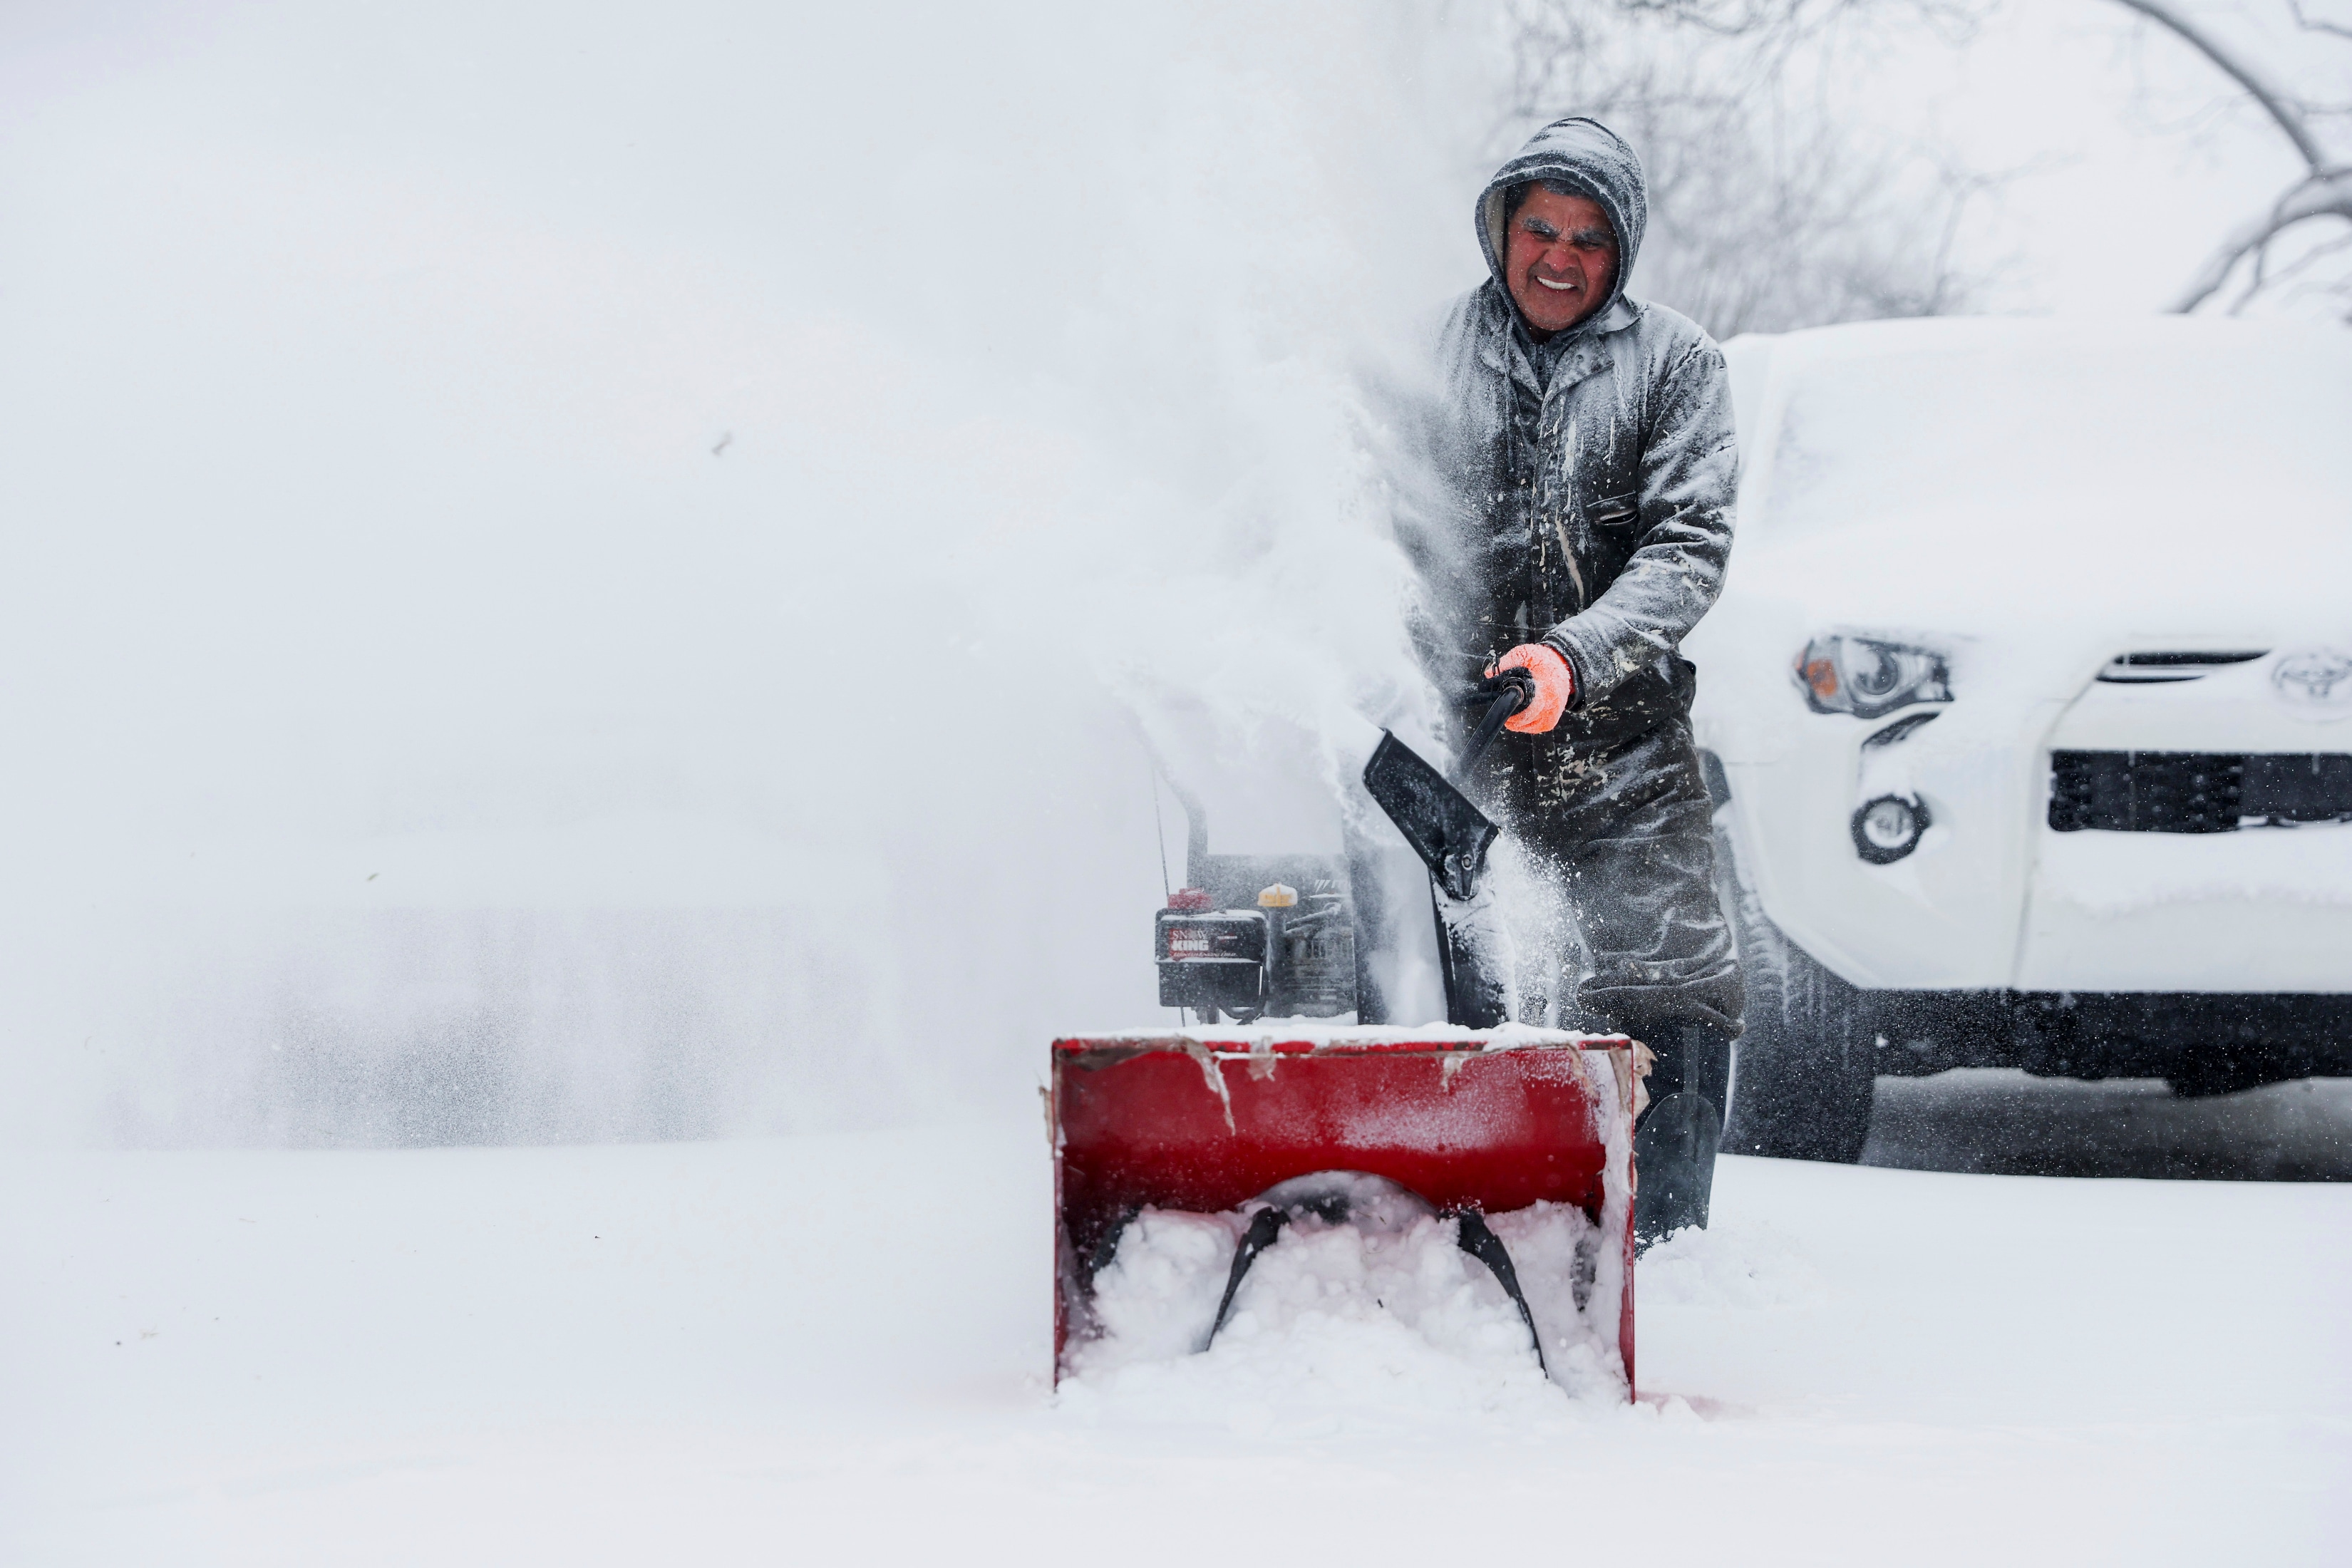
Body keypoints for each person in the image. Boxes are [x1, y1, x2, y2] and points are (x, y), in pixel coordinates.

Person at [1409, 115, 1743, 1244]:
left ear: (1625, 250)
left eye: (1589, 239)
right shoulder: (1424, 356)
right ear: (1501, 228)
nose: (1559, 257)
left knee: (1669, 986)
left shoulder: (1678, 364)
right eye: (1540, 228)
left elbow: (1687, 547)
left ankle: (1665, 1245)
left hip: (1625, 745)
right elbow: (1371, 521)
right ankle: (1468, 1229)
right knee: (1462, 990)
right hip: (1458, 751)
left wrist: (1573, 656)